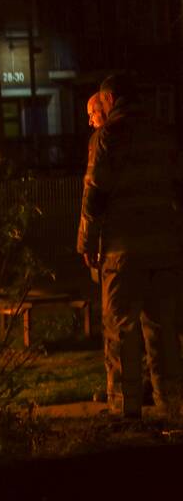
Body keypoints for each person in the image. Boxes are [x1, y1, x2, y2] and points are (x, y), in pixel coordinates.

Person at [77, 74, 183, 421]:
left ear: (109, 99)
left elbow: (95, 195)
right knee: (162, 327)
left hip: (123, 250)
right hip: (165, 248)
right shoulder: (164, 135)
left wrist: (87, 243)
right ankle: (172, 403)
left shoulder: (108, 136)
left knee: (121, 327)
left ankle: (126, 407)